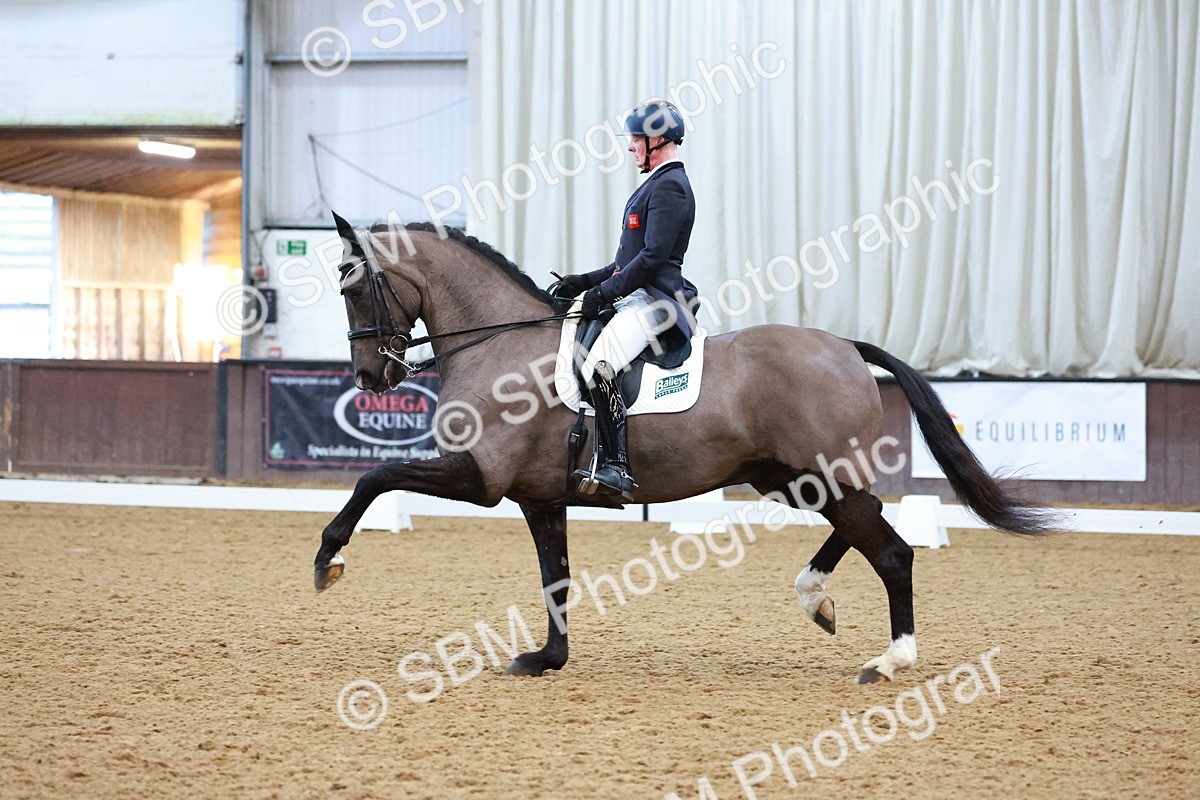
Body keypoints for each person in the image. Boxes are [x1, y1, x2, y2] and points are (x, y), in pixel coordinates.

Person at [552, 100, 699, 502]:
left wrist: (604, 293)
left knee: (600, 366)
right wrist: (584, 281)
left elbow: (651, 260)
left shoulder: (670, 185)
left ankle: (617, 466)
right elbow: (626, 262)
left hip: (657, 301)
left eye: (637, 138)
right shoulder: (653, 183)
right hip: (636, 296)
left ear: (657, 140)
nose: (631, 146)